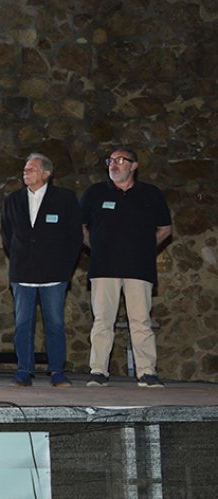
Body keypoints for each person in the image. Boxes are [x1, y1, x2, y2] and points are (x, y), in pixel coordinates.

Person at [81, 146, 172, 388]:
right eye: (110, 160)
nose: (114, 164)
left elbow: (165, 228)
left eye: (121, 160)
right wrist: (97, 248)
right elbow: (80, 227)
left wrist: (143, 249)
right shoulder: (95, 193)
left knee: (140, 321)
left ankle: (146, 372)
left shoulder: (150, 194)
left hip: (139, 268)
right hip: (103, 267)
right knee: (102, 321)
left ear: (134, 165)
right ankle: (98, 371)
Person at [1, 153, 82, 388]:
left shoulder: (65, 199)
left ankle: (57, 370)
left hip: (54, 274)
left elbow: (74, 237)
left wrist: (64, 269)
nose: (26, 172)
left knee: (55, 323)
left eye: (32, 169)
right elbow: (8, 234)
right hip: (23, 272)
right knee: (23, 324)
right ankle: (24, 370)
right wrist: (19, 254)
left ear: (46, 173)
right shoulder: (13, 200)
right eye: (25, 169)